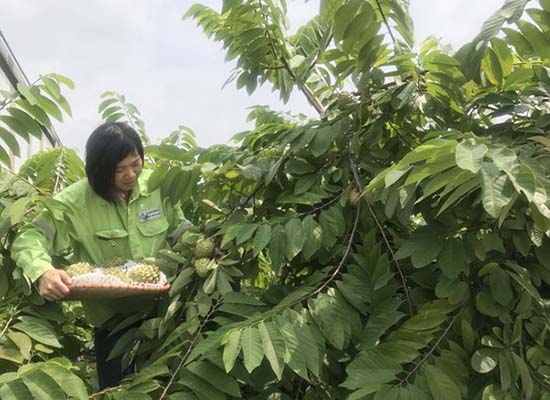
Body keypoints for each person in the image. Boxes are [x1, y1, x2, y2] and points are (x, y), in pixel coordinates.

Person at [11, 122, 185, 389]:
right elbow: (30, 237)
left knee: (168, 387)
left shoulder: (158, 187)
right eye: (118, 169)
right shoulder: (73, 202)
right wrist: (42, 271)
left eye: (135, 163)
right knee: (119, 392)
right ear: (99, 170)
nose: (130, 175)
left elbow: (180, 230)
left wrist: (205, 244)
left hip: (163, 313)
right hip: (112, 324)